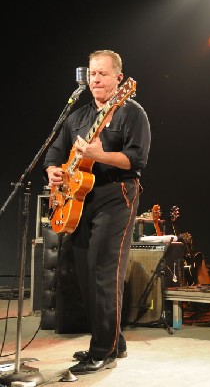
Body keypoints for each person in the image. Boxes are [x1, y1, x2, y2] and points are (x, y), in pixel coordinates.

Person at [43, 50, 151, 374]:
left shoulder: (131, 112)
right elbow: (55, 152)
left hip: (117, 196)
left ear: (120, 78)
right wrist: (52, 171)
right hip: (80, 198)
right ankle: (114, 342)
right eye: (92, 74)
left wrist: (100, 155)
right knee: (86, 273)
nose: (96, 80)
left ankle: (101, 350)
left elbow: (137, 160)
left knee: (105, 271)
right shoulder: (78, 115)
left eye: (102, 74)